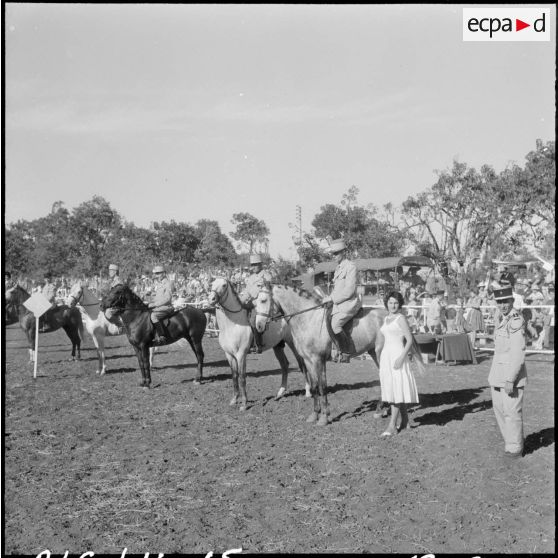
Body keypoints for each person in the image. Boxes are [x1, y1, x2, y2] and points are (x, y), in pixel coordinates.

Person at [488, 286, 527, 458]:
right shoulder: (501, 318)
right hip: (497, 374)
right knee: (500, 410)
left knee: (511, 412)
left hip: (511, 376)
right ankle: (510, 442)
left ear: (512, 301)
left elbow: (518, 353)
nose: (503, 305)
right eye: (500, 302)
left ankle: (515, 448)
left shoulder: (516, 320)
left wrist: (511, 379)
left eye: (506, 301)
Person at [377, 291, 420, 436]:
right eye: (390, 302)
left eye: (395, 303)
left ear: (399, 304)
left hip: (397, 355)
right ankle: (405, 421)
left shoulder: (400, 318)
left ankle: (391, 426)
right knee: (394, 387)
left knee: (396, 389)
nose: (393, 305)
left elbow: (409, 340)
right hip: (386, 356)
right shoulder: (386, 318)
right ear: (386, 303)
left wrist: (402, 357)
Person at [321, 239, 362, 363]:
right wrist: (328, 298)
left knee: (335, 324)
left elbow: (349, 291)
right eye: (333, 254)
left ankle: (346, 351)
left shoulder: (350, 267)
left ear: (344, 252)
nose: (335, 256)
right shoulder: (338, 268)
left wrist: (332, 299)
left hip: (349, 303)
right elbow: (337, 289)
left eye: (337, 253)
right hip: (339, 303)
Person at [239, 254, 273, 353]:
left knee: (253, 321)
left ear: (260, 265)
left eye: (255, 265)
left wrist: (254, 302)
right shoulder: (250, 278)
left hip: (262, 304)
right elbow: (247, 292)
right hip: (251, 302)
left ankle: (258, 344)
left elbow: (267, 291)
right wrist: (240, 302)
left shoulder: (266, 276)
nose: (252, 267)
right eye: (252, 265)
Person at [147, 265, 174, 345]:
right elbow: (157, 297)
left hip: (166, 307)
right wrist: (149, 300)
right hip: (158, 307)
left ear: (164, 273)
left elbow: (167, 298)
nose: (156, 275)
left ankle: (162, 336)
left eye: (158, 273)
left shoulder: (168, 283)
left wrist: (154, 304)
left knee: (153, 316)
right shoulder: (158, 284)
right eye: (156, 274)